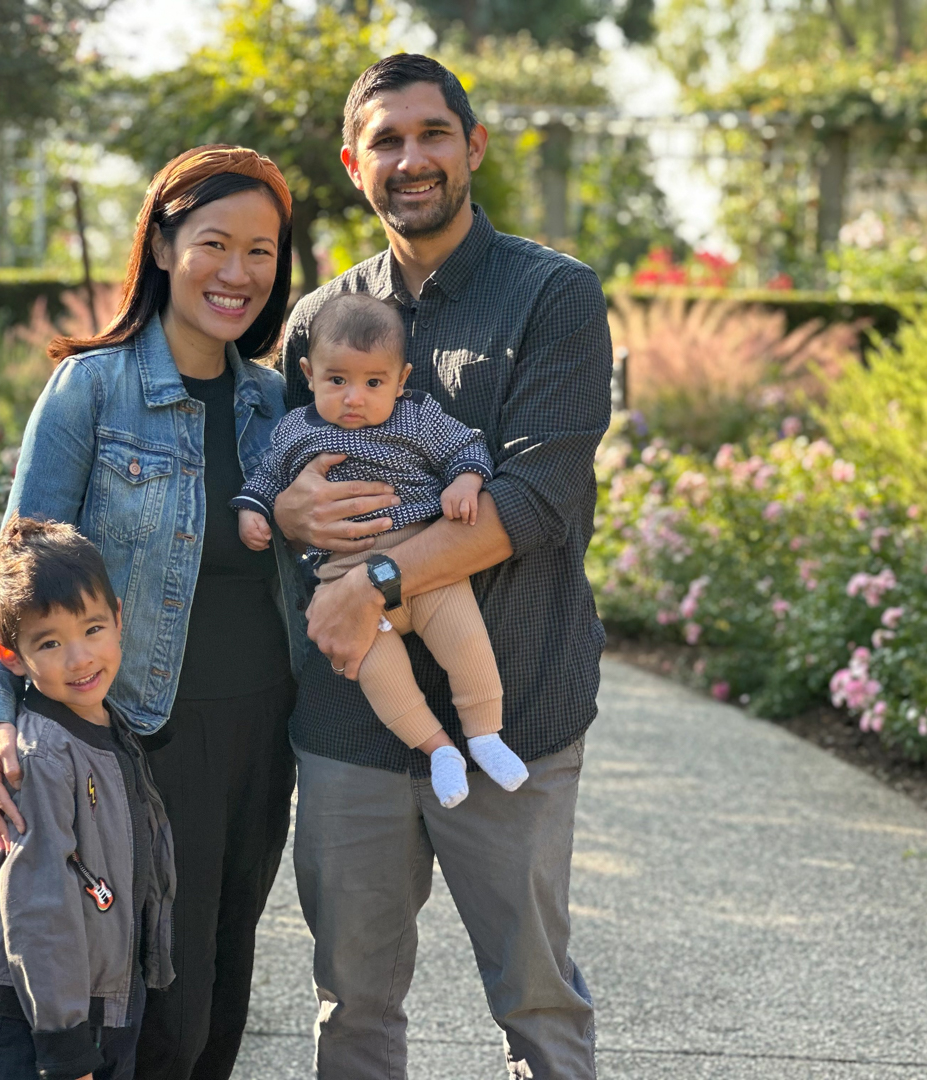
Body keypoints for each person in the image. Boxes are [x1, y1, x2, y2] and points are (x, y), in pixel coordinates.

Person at [274, 54, 612, 1079]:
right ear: (353, 163)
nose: (410, 159)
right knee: (354, 1006)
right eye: (387, 140)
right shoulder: (313, 324)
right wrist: (286, 507)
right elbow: (285, 481)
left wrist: (379, 581)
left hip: (515, 709)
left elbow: (535, 501)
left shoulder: (552, 297)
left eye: (432, 134)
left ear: (473, 145)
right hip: (350, 731)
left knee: (538, 1004)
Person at [0, 145, 310, 1080]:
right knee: (160, 1006)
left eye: (262, 253)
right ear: (161, 245)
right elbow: (16, 564)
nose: (237, 273)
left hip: (263, 732)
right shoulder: (94, 389)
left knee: (226, 974)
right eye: (214, 244)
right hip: (141, 738)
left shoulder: (277, 405)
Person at [236, 292, 530, 808]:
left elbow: (465, 447)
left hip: (426, 562)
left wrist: (465, 481)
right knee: (376, 670)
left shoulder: (415, 417)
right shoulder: (296, 430)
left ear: (401, 379)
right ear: (308, 373)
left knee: (467, 642)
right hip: (343, 576)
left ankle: (485, 734)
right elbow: (266, 480)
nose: (355, 397)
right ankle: (439, 748)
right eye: (337, 380)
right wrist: (258, 512)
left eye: (374, 383)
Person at [0, 515, 176, 1080]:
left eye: (92, 629)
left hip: (98, 1005)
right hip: (38, 1025)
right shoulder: (40, 756)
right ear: (10, 656)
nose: (80, 658)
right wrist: (64, 1046)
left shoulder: (109, 727)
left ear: (119, 620)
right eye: (50, 642)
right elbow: (40, 907)